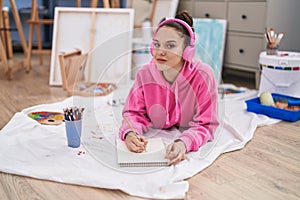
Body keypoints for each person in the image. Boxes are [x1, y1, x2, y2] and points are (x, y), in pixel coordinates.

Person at [119, 11, 219, 165]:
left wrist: (184, 143)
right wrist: (130, 133)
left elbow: (206, 124)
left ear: (187, 51)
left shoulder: (204, 76)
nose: (160, 51)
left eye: (170, 45)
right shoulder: (144, 74)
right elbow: (132, 113)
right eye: (157, 44)